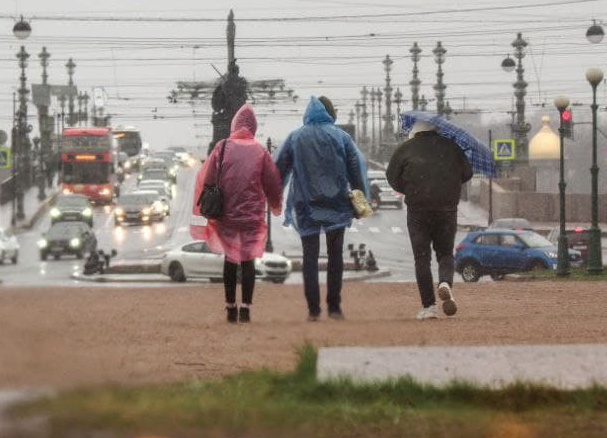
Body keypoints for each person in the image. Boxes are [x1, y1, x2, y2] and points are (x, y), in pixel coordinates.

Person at [275, 96, 368, 321]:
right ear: (330, 114)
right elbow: (357, 167)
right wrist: (360, 197)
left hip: (306, 204)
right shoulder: (341, 137)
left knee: (310, 257)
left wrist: (275, 194)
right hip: (337, 202)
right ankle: (334, 307)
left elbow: (279, 169)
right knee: (335, 255)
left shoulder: (296, 138)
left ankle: (313, 309)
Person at [192, 103, 282, 323]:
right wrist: (275, 204)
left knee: (230, 260)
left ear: (234, 125)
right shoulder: (260, 151)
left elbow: (209, 179)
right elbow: (272, 182)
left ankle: (230, 307)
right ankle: (246, 309)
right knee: (248, 261)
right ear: (253, 126)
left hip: (227, 215)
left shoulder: (222, 147)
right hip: (252, 215)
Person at [386, 119, 474, 320]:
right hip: (446, 209)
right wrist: (449, 181)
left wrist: (408, 187)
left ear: (416, 131)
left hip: (418, 210)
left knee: (422, 258)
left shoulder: (405, 149)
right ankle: (445, 283)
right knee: (445, 253)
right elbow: (467, 173)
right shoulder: (451, 147)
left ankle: (429, 307)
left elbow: (391, 177)